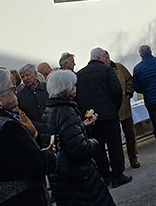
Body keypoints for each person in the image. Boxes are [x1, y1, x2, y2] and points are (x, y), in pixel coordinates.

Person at [41, 69, 116, 205]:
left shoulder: (49, 110)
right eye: (73, 86)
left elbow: (62, 137)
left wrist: (82, 125)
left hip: (63, 179)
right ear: (66, 88)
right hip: (79, 178)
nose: (75, 88)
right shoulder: (66, 111)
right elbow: (79, 149)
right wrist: (94, 142)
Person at [0, 67, 55, 205]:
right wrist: (49, 156)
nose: (16, 92)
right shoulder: (6, 127)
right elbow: (35, 166)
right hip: (19, 197)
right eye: (11, 89)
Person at [75, 47, 132, 188]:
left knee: (98, 148)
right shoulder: (107, 70)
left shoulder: (79, 75)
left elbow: (77, 96)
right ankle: (117, 175)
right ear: (100, 58)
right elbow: (116, 90)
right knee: (114, 145)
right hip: (109, 115)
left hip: (91, 119)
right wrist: (115, 107)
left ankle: (105, 176)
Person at [133, 45, 156, 163]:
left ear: (141, 55)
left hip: (151, 101)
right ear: (151, 52)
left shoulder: (137, 68)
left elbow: (136, 87)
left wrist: (146, 91)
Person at [104, 50, 140, 169]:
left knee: (130, 134)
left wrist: (129, 93)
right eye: (105, 58)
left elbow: (130, 79)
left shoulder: (119, 67)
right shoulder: (101, 72)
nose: (107, 59)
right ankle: (120, 163)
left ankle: (133, 158)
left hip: (124, 107)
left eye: (108, 56)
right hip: (110, 109)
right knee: (115, 139)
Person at [17, 63, 49, 142]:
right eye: (23, 77)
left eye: (27, 75)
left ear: (35, 74)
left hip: (52, 130)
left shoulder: (47, 88)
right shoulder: (20, 96)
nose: (25, 79)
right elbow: (23, 117)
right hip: (35, 135)